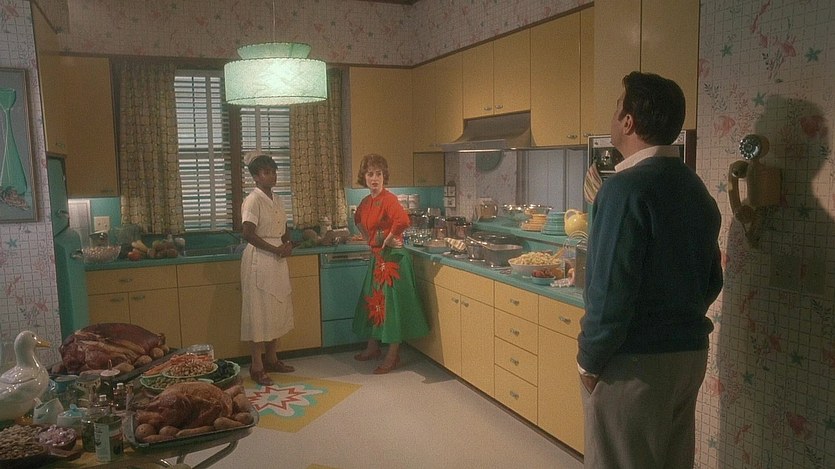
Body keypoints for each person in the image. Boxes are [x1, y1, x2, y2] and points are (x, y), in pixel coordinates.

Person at [577, 72, 723, 468]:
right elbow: (712, 279)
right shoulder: (695, 188)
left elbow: (610, 290)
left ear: (628, 122)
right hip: (689, 356)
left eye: (617, 106)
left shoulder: (623, 189)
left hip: (636, 364)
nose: (613, 115)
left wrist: (589, 360)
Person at [352, 154, 430, 374]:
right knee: (374, 302)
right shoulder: (366, 202)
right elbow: (357, 219)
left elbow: (403, 220)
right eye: (370, 174)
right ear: (364, 177)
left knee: (391, 307)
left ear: (384, 176)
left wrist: (387, 239)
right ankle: (373, 347)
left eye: (378, 174)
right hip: (378, 259)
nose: (374, 178)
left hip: (393, 259)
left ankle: (392, 355)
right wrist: (369, 239)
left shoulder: (389, 199)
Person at [240, 154, 296, 386]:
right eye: (266, 172)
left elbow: (284, 227)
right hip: (260, 259)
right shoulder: (253, 200)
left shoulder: (278, 199)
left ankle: (272, 358)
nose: (272, 176)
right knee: (259, 311)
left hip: (277, 260)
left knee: (276, 308)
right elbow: (248, 233)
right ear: (255, 177)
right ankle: (257, 365)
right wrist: (275, 249)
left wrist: (288, 244)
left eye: (273, 171)